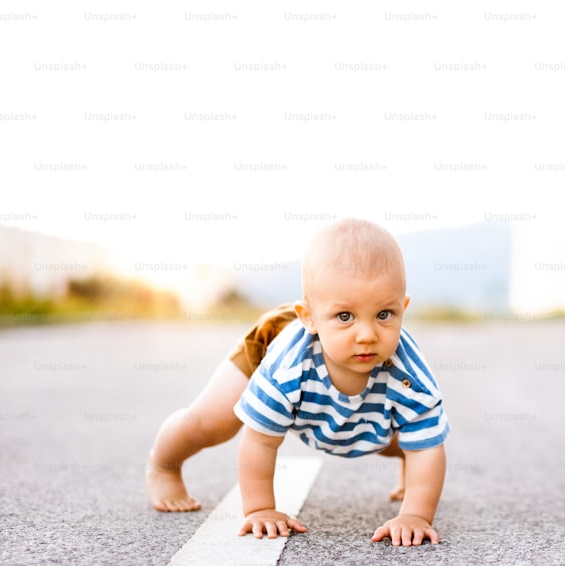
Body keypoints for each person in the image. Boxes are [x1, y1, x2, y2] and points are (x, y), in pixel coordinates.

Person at [146, 218, 450, 547]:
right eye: (345, 316)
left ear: (403, 309)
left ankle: (409, 483)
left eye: (384, 314)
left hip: (358, 396)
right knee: (211, 421)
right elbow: (260, 442)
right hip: (272, 346)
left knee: (402, 437)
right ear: (308, 317)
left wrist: (415, 515)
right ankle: (163, 466)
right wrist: (260, 509)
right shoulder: (287, 365)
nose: (367, 335)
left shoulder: (409, 373)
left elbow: (428, 445)